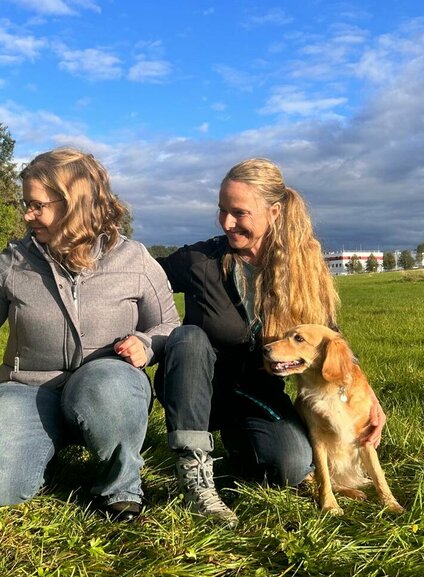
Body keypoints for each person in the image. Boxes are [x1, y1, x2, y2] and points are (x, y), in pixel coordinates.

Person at [0, 148, 179, 521]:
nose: (27, 215)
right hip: (29, 390)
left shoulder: (135, 259)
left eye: (37, 206)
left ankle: (122, 488)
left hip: (108, 388)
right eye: (25, 204)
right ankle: (38, 449)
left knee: (106, 382)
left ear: (74, 204)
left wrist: (145, 344)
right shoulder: (14, 259)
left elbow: (170, 327)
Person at [154, 157, 386, 528]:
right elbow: (138, 278)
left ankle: (240, 447)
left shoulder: (303, 270)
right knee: (190, 336)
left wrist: (365, 391)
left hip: (253, 390)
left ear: (274, 211)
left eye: (239, 213)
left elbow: (329, 336)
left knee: (293, 463)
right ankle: (193, 473)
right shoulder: (200, 260)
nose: (227, 223)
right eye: (222, 211)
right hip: (192, 385)